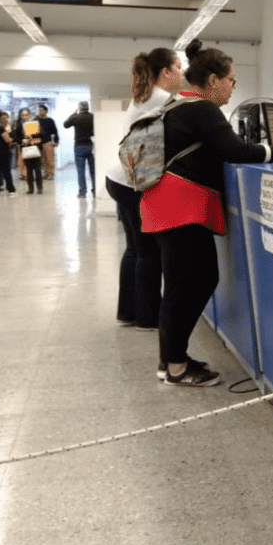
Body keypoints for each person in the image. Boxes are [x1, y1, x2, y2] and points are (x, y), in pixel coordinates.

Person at [141, 38, 273, 387]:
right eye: (231, 80)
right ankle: (175, 366)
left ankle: (171, 360)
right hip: (181, 208)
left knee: (185, 284)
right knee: (189, 285)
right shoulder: (201, 109)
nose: (233, 87)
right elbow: (235, 150)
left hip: (167, 205)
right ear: (213, 80)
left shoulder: (177, 104)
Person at [106, 48, 184, 334]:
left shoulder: (145, 94)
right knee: (149, 252)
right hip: (132, 183)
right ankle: (147, 317)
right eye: (178, 67)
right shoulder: (162, 98)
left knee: (135, 249)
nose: (182, 73)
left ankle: (128, 312)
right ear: (166, 72)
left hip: (118, 178)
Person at [64, 101, 96, 198]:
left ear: (79, 108)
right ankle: (95, 190)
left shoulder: (76, 117)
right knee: (93, 170)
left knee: (81, 170)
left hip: (79, 146)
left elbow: (65, 125)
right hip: (91, 145)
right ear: (87, 107)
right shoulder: (92, 117)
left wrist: (73, 114)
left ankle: (82, 192)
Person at [16, 111, 44, 194]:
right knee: (29, 170)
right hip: (26, 149)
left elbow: (42, 134)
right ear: (21, 116)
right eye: (23, 115)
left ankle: (39, 188)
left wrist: (32, 136)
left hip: (36, 148)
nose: (25, 116)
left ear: (29, 115)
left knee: (38, 169)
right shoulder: (19, 126)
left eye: (26, 115)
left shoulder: (35, 124)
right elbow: (16, 138)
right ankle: (30, 188)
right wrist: (23, 140)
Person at [36, 104, 59, 179]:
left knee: (50, 159)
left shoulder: (50, 120)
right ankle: (45, 173)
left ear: (45, 111)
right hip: (39, 143)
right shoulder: (36, 120)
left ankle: (51, 174)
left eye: (41, 110)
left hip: (48, 142)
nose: (39, 111)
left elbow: (55, 131)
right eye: (39, 110)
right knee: (43, 160)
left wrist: (56, 141)